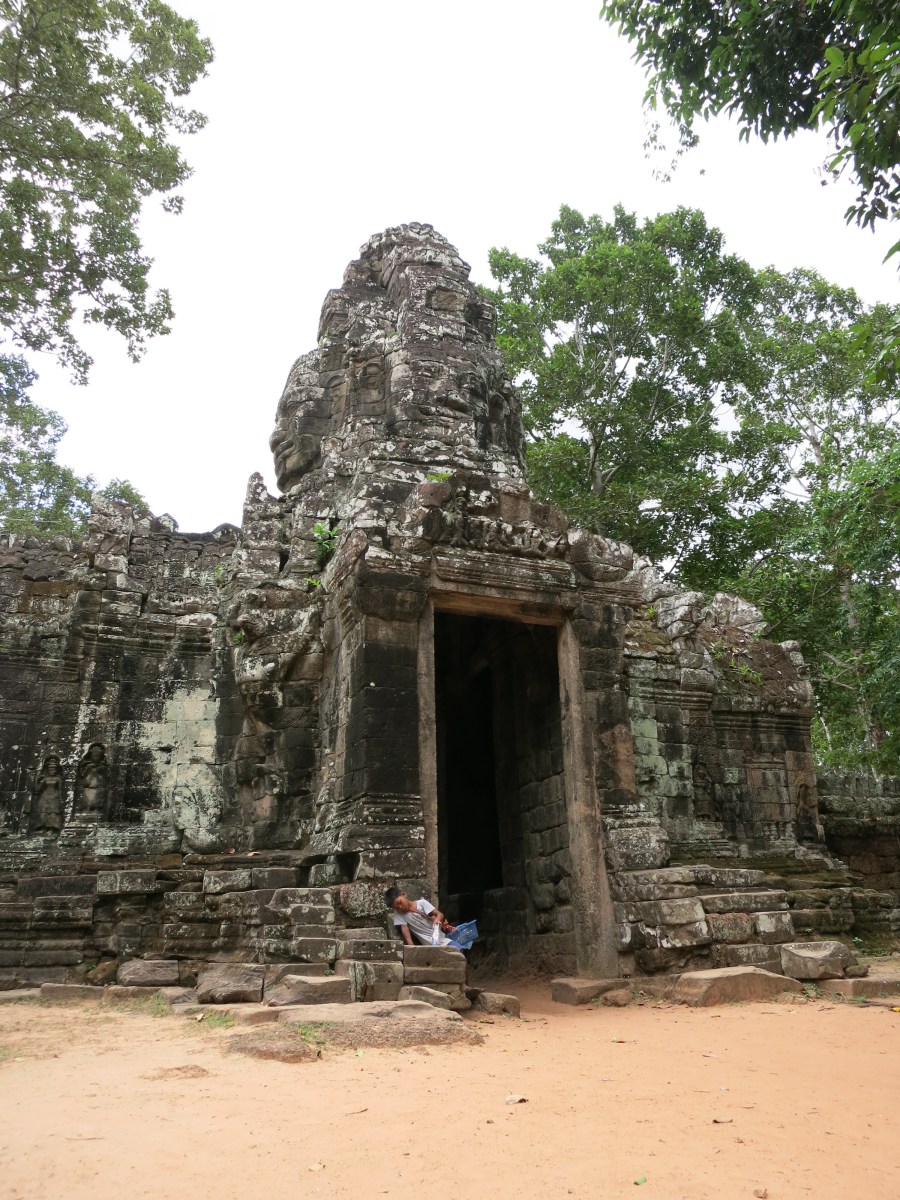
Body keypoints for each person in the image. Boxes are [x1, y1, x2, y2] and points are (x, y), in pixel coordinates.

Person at [384, 886, 455, 947]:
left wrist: (437, 919)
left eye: (400, 902)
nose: (400, 907)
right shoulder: (399, 913)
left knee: (457, 948)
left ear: (403, 894)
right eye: (397, 908)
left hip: (440, 937)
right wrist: (411, 944)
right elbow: (404, 928)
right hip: (429, 943)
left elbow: (440, 914)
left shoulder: (422, 903)